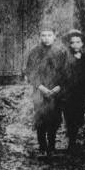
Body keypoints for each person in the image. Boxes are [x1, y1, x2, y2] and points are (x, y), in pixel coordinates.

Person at [24, 28, 67, 157]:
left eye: (49, 35)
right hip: (39, 91)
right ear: (40, 37)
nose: (46, 38)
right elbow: (30, 72)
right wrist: (40, 87)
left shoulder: (60, 52)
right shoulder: (34, 52)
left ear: (54, 36)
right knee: (41, 119)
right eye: (43, 35)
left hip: (56, 91)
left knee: (54, 118)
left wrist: (59, 87)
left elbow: (65, 72)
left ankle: (52, 146)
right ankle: (42, 146)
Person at [61, 30, 85, 153]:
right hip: (68, 93)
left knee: (78, 117)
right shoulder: (65, 58)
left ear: (82, 44)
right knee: (70, 118)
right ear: (69, 45)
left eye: (78, 42)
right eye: (72, 43)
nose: (75, 45)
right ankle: (71, 143)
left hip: (80, 93)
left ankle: (73, 140)